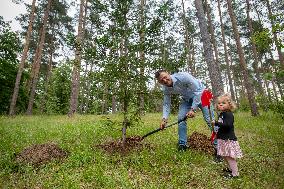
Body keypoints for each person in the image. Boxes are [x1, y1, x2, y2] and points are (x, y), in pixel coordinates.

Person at [155, 69, 215, 151]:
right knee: (181, 119)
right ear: (160, 82)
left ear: (168, 74)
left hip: (202, 94)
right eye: (162, 80)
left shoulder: (183, 77)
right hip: (187, 99)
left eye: (165, 77)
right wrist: (164, 119)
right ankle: (182, 144)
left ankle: (218, 145)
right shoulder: (165, 88)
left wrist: (193, 109)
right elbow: (166, 104)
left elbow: (198, 91)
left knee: (210, 120)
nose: (165, 80)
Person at [213, 93, 243, 179]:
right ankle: (231, 169)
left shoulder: (228, 114)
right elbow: (221, 126)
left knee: (229, 157)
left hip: (228, 139)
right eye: (219, 103)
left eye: (223, 103)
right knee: (225, 155)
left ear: (229, 105)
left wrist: (216, 123)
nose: (221, 104)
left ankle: (235, 174)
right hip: (222, 138)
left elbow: (227, 125)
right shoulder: (222, 114)